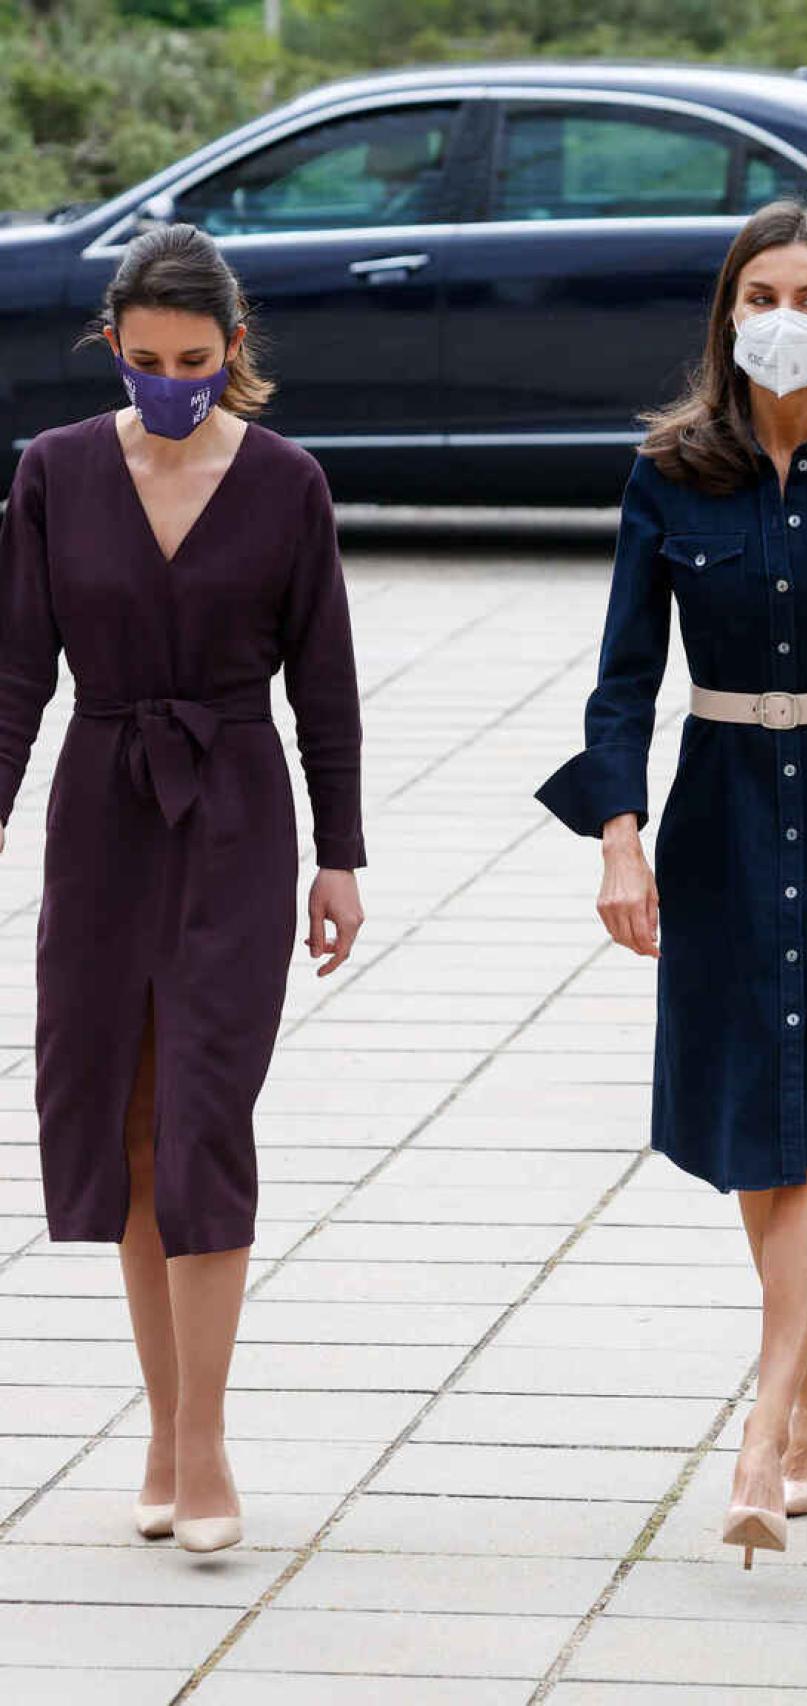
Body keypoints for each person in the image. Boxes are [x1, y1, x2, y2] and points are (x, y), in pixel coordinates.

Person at [534, 199, 807, 1570]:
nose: (786, 315)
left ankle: (763, 1430)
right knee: (751, 1127)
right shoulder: (667, 472)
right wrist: (617, 832)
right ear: (730, 313)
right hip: (720, 810)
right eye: (761, 291)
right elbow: (620, 679)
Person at [0, 222, 366, 1554]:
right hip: (100, 810)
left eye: (194, 360)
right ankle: (161, 1421)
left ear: (236, 351)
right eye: (146, 359)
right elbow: (12, 677)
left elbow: (324, 680)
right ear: (113, 347)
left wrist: (341, 854)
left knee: (209, 1108)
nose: (170, 380)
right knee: (130, 1119)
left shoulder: (286, 484)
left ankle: (204, 1438)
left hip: (234, 810)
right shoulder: (51, 474)